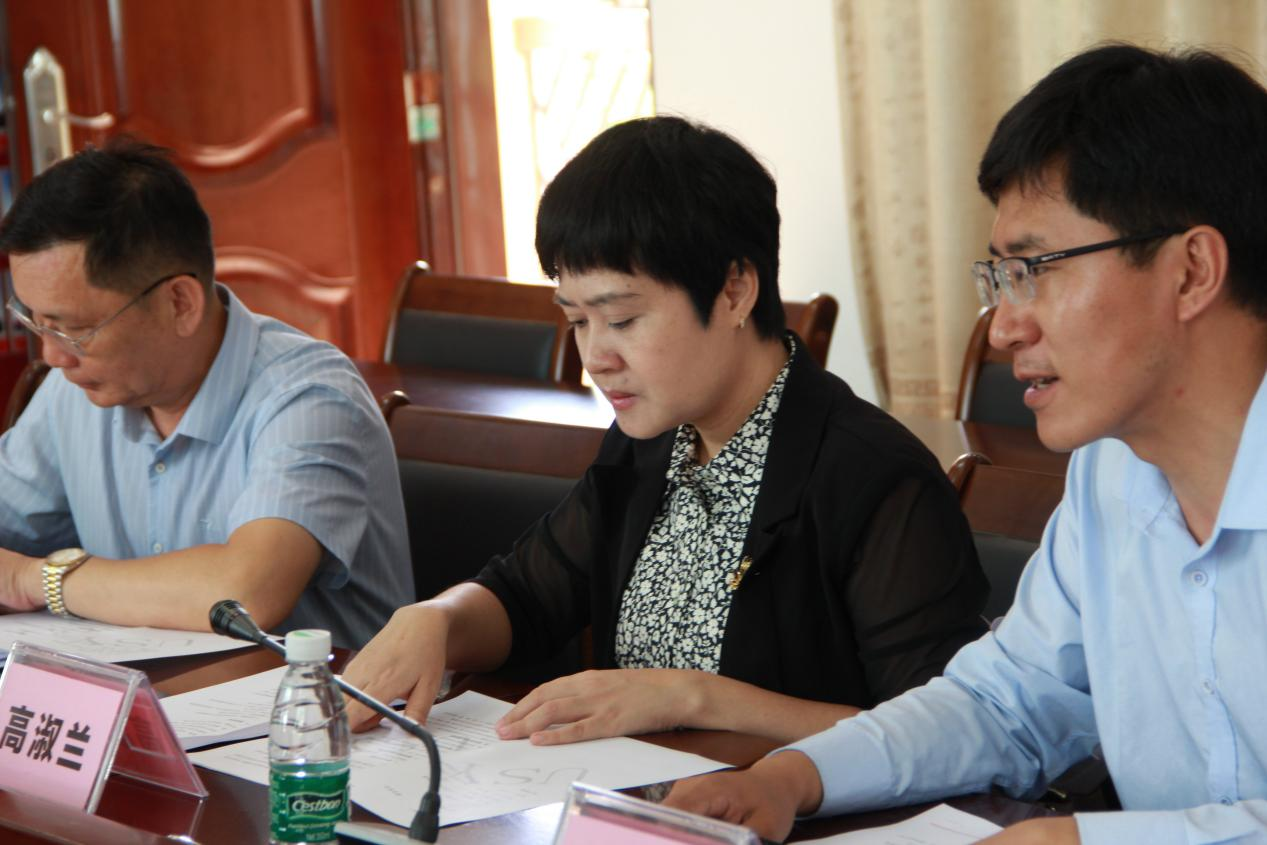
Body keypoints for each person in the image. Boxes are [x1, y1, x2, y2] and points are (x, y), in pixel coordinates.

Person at [664, 43, 1267, 844]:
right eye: (1000, 278)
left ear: (1190, 270)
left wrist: (1078, 840)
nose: (1004, 327)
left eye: (1034, 268)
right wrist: (792, 776)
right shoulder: (1110, 472)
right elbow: (1002, 701)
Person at [342, 115, 987, 745]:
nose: (596, 358)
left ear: (734, 292)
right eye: (577, 322)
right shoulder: (650, 443)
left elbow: (946, 736)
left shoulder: (873, 478)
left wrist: (692, 698)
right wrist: (439, 619)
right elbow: (527, 597)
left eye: (622, 320)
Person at [0, 139, 413, 649]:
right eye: (36, 323)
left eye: (74, 329)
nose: (53, 356)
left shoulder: (310, 398)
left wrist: (35, 579)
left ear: (180, 302)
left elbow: (248, 592)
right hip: (146, 690)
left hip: (313, 697)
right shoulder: (75, 391)